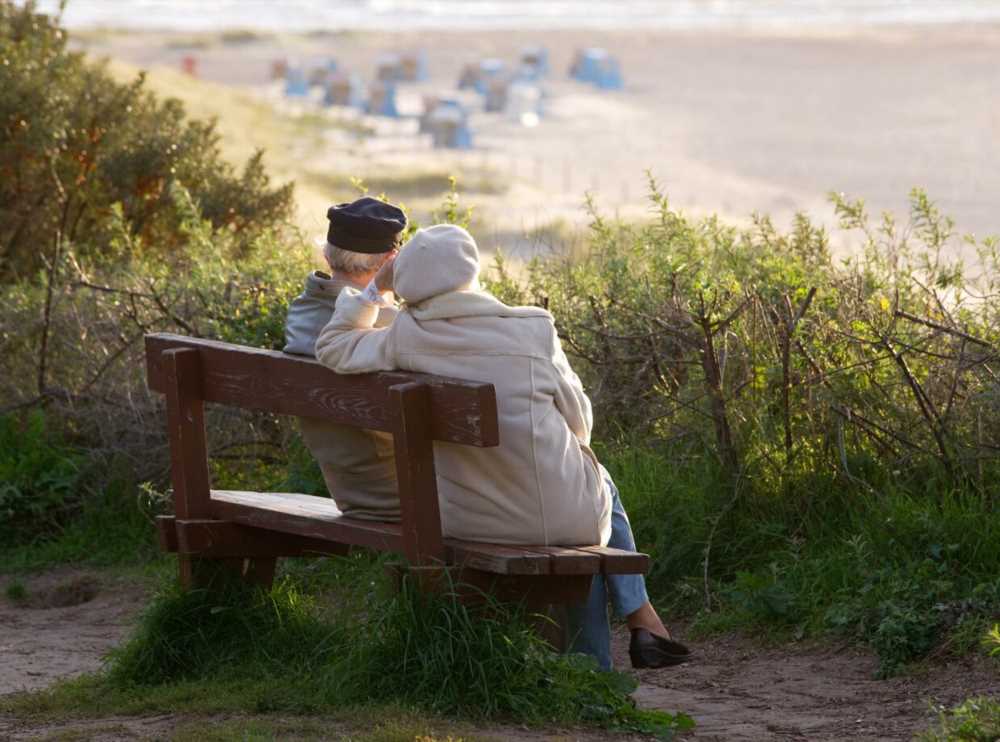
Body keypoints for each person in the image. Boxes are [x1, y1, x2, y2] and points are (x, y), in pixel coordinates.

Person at [314, 222, 691, 670]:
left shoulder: (408, 337)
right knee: (591, 491)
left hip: (470, 521)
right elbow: (581, 426)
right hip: (563, 520)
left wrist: (375, 289)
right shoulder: (533, 329)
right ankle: (609, 657)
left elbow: (333, 345)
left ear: (408, 280)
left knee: (578, 499)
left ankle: (622, 643)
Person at [282, 197, 405, 520]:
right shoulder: (390, 325)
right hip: (404, 495)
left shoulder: (301, 313)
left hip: (350, 492)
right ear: (392, 262)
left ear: (326, 254)